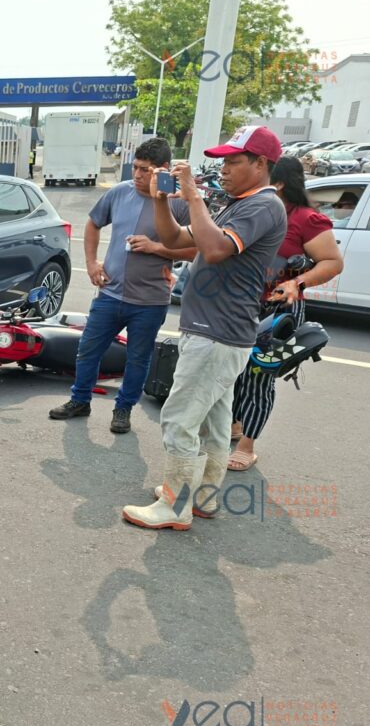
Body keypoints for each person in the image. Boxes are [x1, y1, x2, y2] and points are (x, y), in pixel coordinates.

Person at [121, 126, 287, 531]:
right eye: (222, 161)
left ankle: (174, 506)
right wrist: (162, 200)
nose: (223, 169)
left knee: (179, 420)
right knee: (214, 423)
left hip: (217, 333)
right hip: (218, 332)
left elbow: (213, 250)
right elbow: (176, 237)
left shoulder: (263, 206)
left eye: (233, 161)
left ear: (260, 164)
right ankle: (203, 497)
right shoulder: (238, 205)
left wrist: (193, 195)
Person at [48, 138, 194, 434]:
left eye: (145, 170)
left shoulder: (178, 203)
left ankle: (123, 409)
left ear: (163, 170)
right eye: (135, 167)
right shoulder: (119, 192)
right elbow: (93, 224)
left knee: (138, 359)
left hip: (150, 301)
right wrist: (92, 263)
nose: (137, 175)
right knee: (88, 350)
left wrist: (156, 247)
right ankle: (80, 400)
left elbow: (196, 250)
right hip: (110, 293)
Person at [228, 156, 344, 471]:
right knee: (232, 369)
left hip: (279, 309)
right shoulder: (252, 210)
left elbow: (332, 262)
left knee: (259, 376)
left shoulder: (307, 219)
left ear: (277, 183)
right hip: (241, 304)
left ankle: (247, 444)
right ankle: (235, 423)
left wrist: (296, 282)